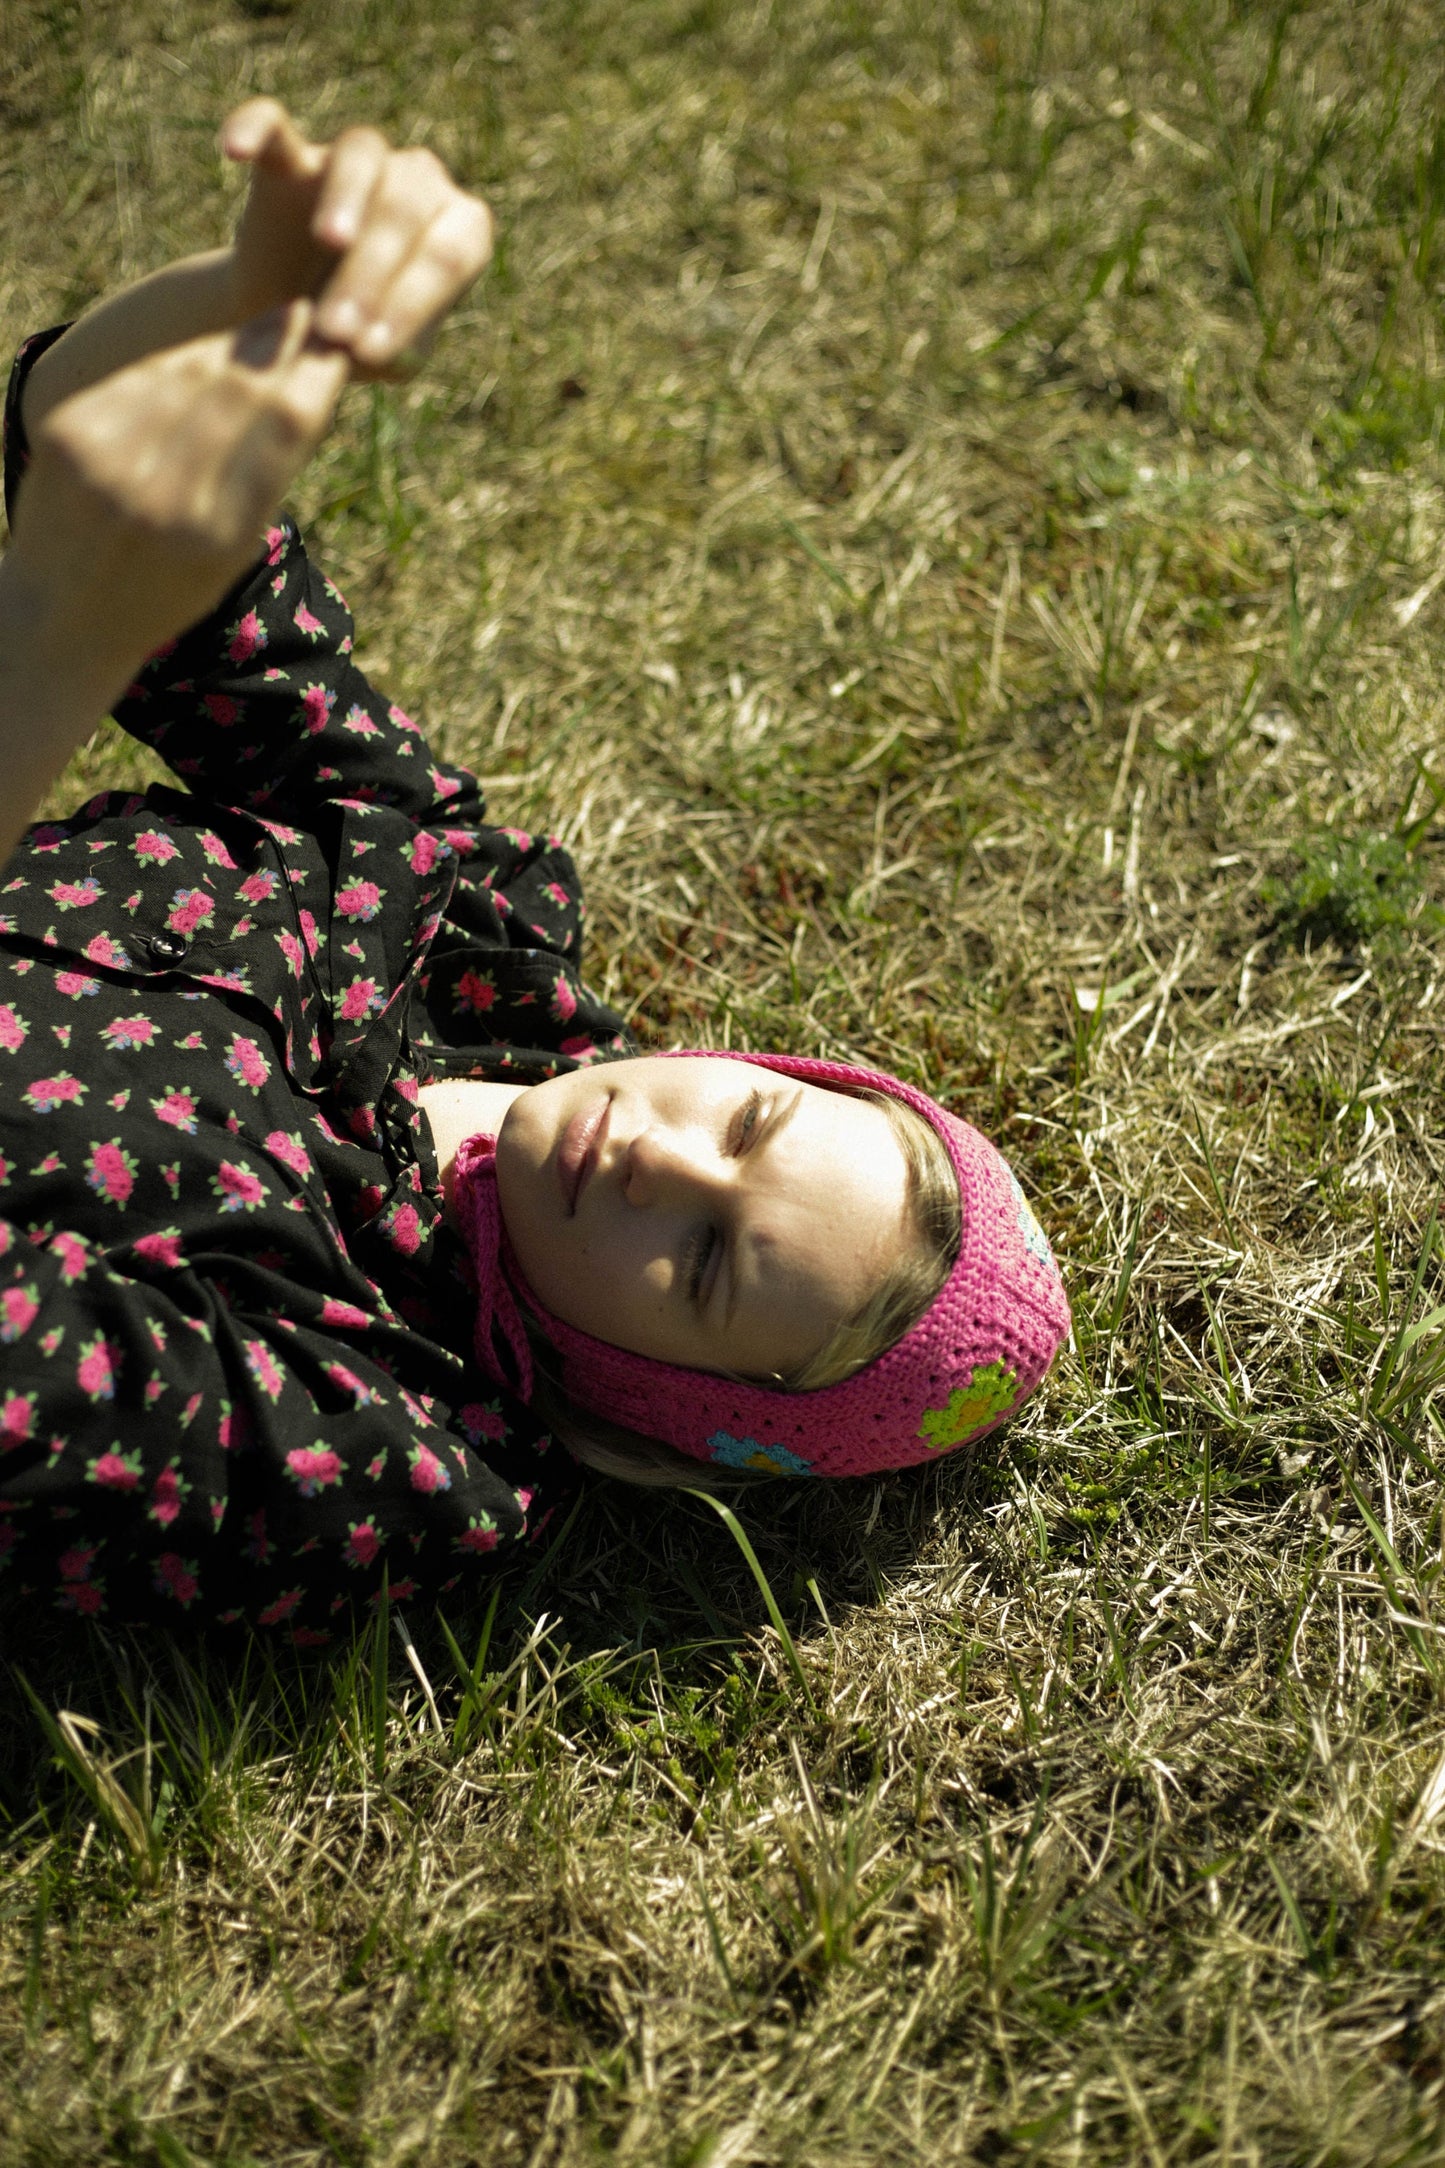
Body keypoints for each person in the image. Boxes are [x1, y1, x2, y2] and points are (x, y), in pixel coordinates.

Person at [0, 103, 1069, 1640]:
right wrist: (245, 303)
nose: (666, 1160)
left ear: (662, 1400)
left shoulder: (375, 1443)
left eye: (704, 1262)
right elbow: (98, 451)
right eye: (748, 1120)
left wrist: (59, 644)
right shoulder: (452, 916)